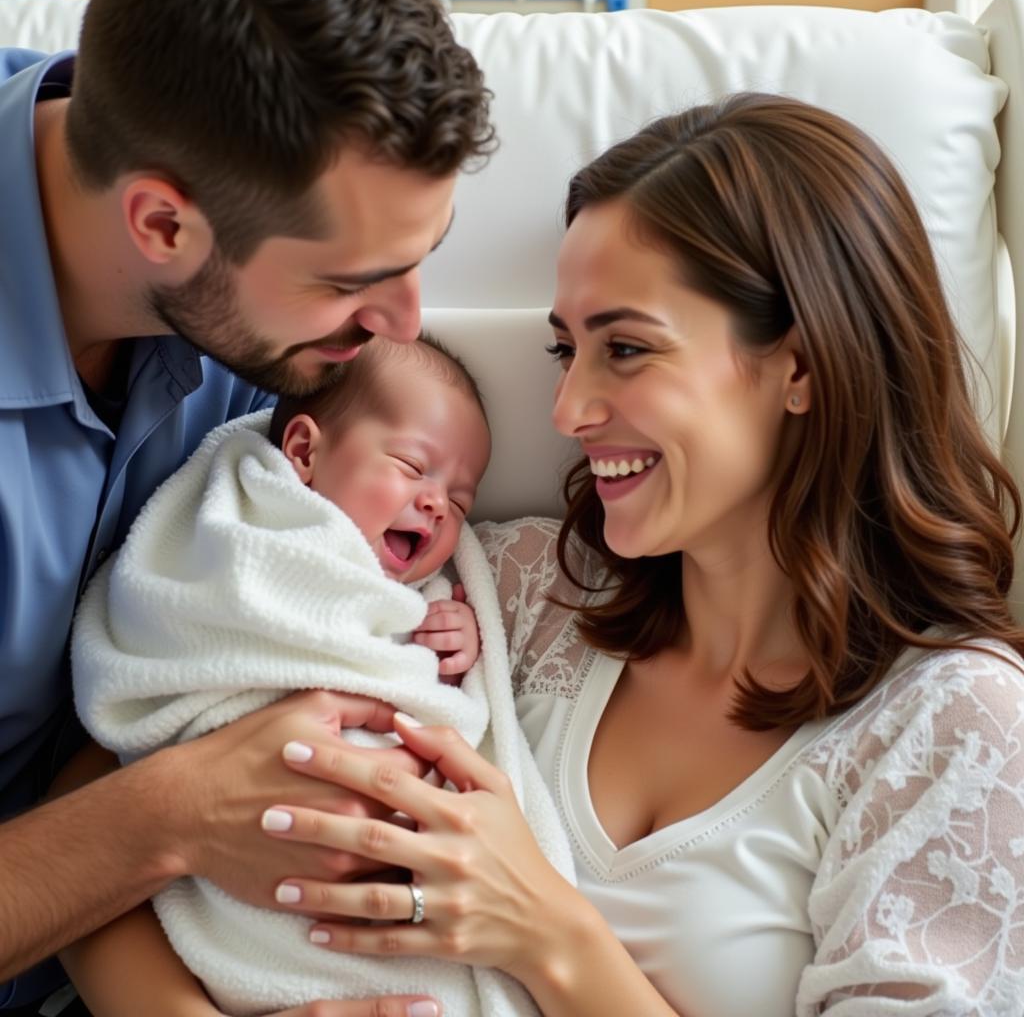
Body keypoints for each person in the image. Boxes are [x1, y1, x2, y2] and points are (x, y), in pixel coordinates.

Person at [231, 94, 1024, 1016]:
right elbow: (162, 754)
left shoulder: (955, 729)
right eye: (566, 350)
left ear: (801, 367)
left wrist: (546, 934)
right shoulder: (516, 592)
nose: (565, 409)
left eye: (628, 348)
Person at [0, 0, 492, 1011]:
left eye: (423, 256)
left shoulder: (198, 140)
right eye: (357, 279)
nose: (404, 320)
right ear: (162, 224)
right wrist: (172, 813)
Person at [67, 335, 571, 1016]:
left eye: (459, 501)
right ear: (304, 454)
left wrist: (453, 646)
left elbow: (429, 690)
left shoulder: (419, 590)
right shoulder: (248, 537)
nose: (435, 506)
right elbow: (190, 628)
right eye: (413, 467)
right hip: (253, 830)